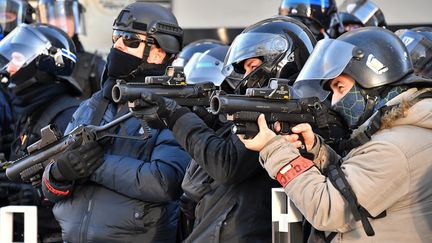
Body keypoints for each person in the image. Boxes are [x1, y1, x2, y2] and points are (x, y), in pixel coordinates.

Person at [131, 16, 317, 243]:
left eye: (253, 66)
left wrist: (175, 115)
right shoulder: (269, 111)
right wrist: (193, 111)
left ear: (281, 62)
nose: (246, 76)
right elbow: (225, 135)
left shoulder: (281, 115)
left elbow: (225, 163)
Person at [240, 27, 432, 242]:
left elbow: (329, 211)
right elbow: (355, 186)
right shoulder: (402, 134)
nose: (334, 101)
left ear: (370, 80)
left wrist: (274, 149)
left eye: (340, 87)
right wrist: (317, 153)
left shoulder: (394, 148)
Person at [41, 2, 190, 242]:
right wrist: (60, 173)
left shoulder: (174, 109)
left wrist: (95, 165)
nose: (117, 45)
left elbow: (165, 181)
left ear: (159, 51)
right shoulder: (92, 105)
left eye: (130, 39)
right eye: (116, 36)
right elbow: (50, 187)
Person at [0, 23, 81, 242]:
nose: (9, 68)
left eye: (18, 58)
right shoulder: (31, 112)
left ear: (45, 65)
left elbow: (80, 187)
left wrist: (35, 199)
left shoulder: (68, 115)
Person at [36, 0, 106, 99]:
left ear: (76, 19)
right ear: (43, 20)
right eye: (54, 16)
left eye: (67, 16)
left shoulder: (95, 66)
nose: (61, 22)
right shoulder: (33, 62)